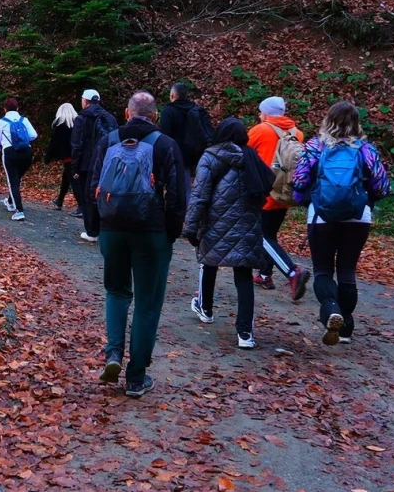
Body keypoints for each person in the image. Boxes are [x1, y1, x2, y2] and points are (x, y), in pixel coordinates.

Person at [90, 91, 186, 397]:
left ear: (127, 113)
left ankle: (113, 354)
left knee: (116, 292)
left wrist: (98, 226)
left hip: (112, 229)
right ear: (155, 116)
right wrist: (169, 232)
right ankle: (136, 377)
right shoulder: (166, 145)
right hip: (151, 232)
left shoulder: (108, 142)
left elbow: (93, 185)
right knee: (147, 302)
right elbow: (178, 197)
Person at [291, 100, 391, 346]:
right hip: (358, 217)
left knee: (323, 270)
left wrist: (307, 199)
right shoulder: (366, 149)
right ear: (356, 123)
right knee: (347, 271)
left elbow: (299, 181)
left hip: (321, 216)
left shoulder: (316, 146)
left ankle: (331, 310)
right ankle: (345, 327)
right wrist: (366, 199)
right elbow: (382, 186)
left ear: (328, 120)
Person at [183, 117, 276, 350]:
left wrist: (191, 226)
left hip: (215, 223)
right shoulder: (251, 157)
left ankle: (205, 307)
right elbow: (268, 183)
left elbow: (200, 195)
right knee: (243, 277)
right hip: (247, 225)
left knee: (208, 262)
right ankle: (245, 333)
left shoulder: (211, 157)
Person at [248, 96, 312, 298]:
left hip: (264, 192)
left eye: (261, 112)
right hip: (285, 192)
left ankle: (292, 272)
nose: (259, 115)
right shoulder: (297, 133)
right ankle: (265, 275)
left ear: (266, 113)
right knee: (270, 234)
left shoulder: (259, 130)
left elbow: (244, 154)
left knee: (261, 236)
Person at [70, 89, 118, 241]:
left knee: (88, 196)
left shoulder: (81, 118)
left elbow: (76, 145)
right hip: (107, 161)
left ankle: (91, 231)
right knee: (105, 194)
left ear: (85, 101)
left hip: (87, 163)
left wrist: (75, 167)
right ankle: (105, 227)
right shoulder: (109, 117)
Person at [0, 97, 38, 222]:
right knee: (17, 179)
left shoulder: (2, 121)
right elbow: (34, 135)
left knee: (13, 181)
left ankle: (19, 211)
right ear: (17, 108)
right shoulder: (24, 120)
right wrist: (22, 140)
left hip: (10, 152)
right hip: (27, 153)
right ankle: (11, 202)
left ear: (4, 109)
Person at [159, 82, 213, 177]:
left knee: (182, 187)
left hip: (177, 155)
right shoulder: (196, 109)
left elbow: (164, 135)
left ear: (172, 95)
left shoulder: (168, 111)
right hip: (197, 154)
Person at [46, 102, 78, 210]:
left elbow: (54, 143)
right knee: (67, 177)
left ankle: (81, 207)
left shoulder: (60, 127)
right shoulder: (78, 125)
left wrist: (48, 157)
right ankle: (60, 199)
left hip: (68, 157)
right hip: (78, 156)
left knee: (74, 181)